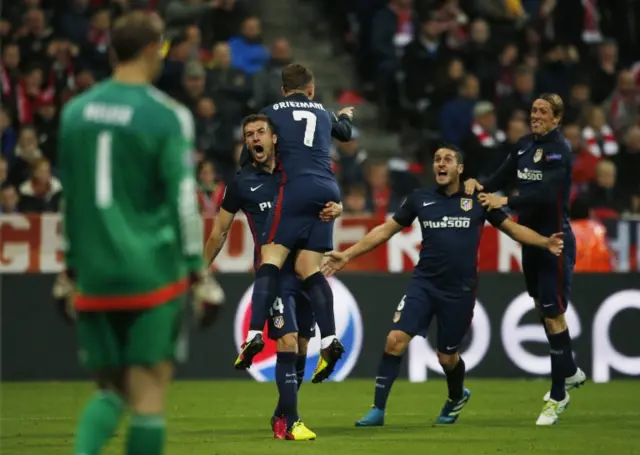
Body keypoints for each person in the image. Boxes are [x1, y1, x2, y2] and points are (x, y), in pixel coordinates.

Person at [53, 12, 224, 455]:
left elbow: (68, 200)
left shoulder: (74, 113)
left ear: (113, 51)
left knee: (111, 389)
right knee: (148, 394)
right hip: (152, 272)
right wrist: (198, 274)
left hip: (93, 272)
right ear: (152, 49)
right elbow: (184, 200)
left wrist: (68, 268)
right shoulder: (166, 115)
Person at [321, 146, 565, 427]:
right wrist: (348, 254)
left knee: (447, 357)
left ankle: (456, 395)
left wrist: (544, 242)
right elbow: (385, 230)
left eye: (448, 159)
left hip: (459, 291)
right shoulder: (420, 199)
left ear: (460, 169)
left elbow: (511, 228)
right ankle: (377, 410)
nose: (440, 163)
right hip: (424, 284)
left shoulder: (477, 199)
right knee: (395, 340)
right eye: (437, 159)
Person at [205, 114, 342, 440]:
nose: (255, 138)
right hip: (274, 274)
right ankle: (292, 422)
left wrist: (337, 208)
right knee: (287, 340)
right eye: (248, 134)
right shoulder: (241, 183)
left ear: (275, 137)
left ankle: (282, 413)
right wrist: (199, 272)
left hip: (305, 271)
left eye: (260, 131)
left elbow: (328, 203)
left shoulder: (297, 174)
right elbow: (219, 232)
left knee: (302, 348)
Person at [464, 93, 586, 425]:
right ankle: (570, 369)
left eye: (543, 112)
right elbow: (500, 176)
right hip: (530, 241)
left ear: (557, 119)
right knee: (543, 309)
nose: (536, 116)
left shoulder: (560, 150)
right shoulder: (523, 146)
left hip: (554, 240)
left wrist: (506, 200)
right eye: (533, 110)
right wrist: (480, 184)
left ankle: (559, 395)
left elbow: (545, 192)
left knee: (553, 314)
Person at [238, 63, 354, 384]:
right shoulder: (322, 111)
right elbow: (346, 134)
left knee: (269, 258)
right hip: (328, 191)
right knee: (310, 269)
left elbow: (253, 151)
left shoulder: (270, 113)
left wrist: (245, 167)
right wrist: (343, 116)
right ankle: (329, 339)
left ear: (282, 90)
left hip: (295, 188)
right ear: (312, 89)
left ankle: (251, 333)